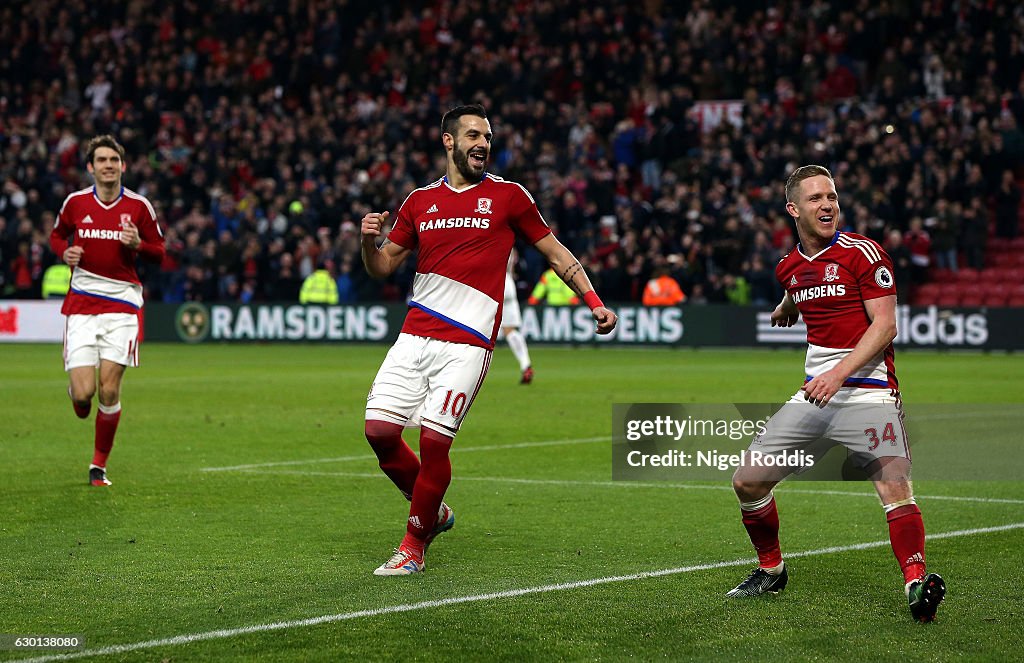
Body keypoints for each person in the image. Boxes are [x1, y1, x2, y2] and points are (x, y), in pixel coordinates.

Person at [360, 104, 617, 576]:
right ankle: (433, 511)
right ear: (449, 141)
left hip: (468, 343)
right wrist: (366, 242)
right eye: (474, 135)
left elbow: (556, 253)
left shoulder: (509, 197)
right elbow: (381, 267)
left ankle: (413, 545)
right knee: (378, 433)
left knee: (435, 442)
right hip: (415, 335)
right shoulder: (419, 201)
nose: (483, 143)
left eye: (488, 136)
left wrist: (593, 300)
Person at [726, 165, 945, 623]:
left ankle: (916, 582)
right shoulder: (788, 266)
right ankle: (772, 570)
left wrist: (838, 374)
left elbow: (885, 326)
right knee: (747, 481)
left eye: (832, 197)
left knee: (895, 486)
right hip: (815, 395)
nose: (827, 205)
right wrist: (787, 307)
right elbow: (799, 282)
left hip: (868, 391)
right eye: (816, 199)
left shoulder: (864, 253)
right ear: (793, 210)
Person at [49, 134, 165, 487]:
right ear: (91, 167)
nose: (108, 166)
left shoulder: (139, 207)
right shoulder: (75, 203)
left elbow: (159, 252)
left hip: (123, 305)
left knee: (109, 390)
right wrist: (63, 253)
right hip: (83, 304)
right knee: (84, 395)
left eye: (114, 160)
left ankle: (98, 466)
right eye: (101, 160)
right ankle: (78, 398)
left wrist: (138, 244)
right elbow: (57, 236)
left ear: (123, 166)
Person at [501, 249, 534, 384]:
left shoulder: (487, 241)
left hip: (494, 285)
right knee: (510, 331)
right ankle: (526, 365)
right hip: (508, 284)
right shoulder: (511, 247)